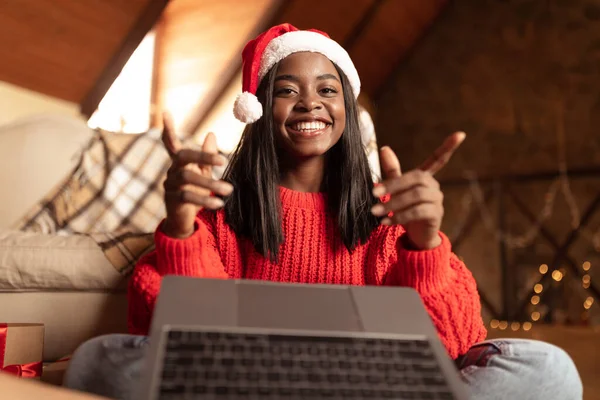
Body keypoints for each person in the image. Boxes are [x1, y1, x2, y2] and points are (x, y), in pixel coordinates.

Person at [64, 23, 582, 400]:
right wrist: (181, 228)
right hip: (252, 385)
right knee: (99, 358)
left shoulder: (388, 214)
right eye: (286, 90)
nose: (310, 102)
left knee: (546, 367)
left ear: (346, 113)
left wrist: (423, 244)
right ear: (260, 111)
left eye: (327, 90)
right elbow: (179, 337)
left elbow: (457, 345)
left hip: (375, 387)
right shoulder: (222, 215)